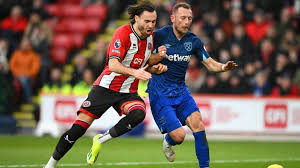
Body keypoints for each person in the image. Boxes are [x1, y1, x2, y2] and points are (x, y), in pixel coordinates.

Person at [44, 1, 167, 168]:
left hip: (128, 91)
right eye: (147, 21)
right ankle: (50, 164)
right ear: (137, 18)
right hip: (105, 88)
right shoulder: (122, 33)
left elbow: (142, 62)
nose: (151, 25)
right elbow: (113, 65)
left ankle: (101, 139)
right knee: (78, 130)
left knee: (139, 114)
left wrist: (155, 67)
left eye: (153, 21)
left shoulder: (150, 38)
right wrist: (135, 72)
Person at [146, 2, 237, 168]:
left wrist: (224, 67)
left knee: (199, 125)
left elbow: (209, 63)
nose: (186, 21)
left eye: (189, 18)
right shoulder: (159, 36)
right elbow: (145, 61)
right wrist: (153, 67)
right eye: (182, 18)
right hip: (160, 93)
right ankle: (168, 140)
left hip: (181, 91)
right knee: (179, 136)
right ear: (173, 18)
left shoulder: (193, 41)